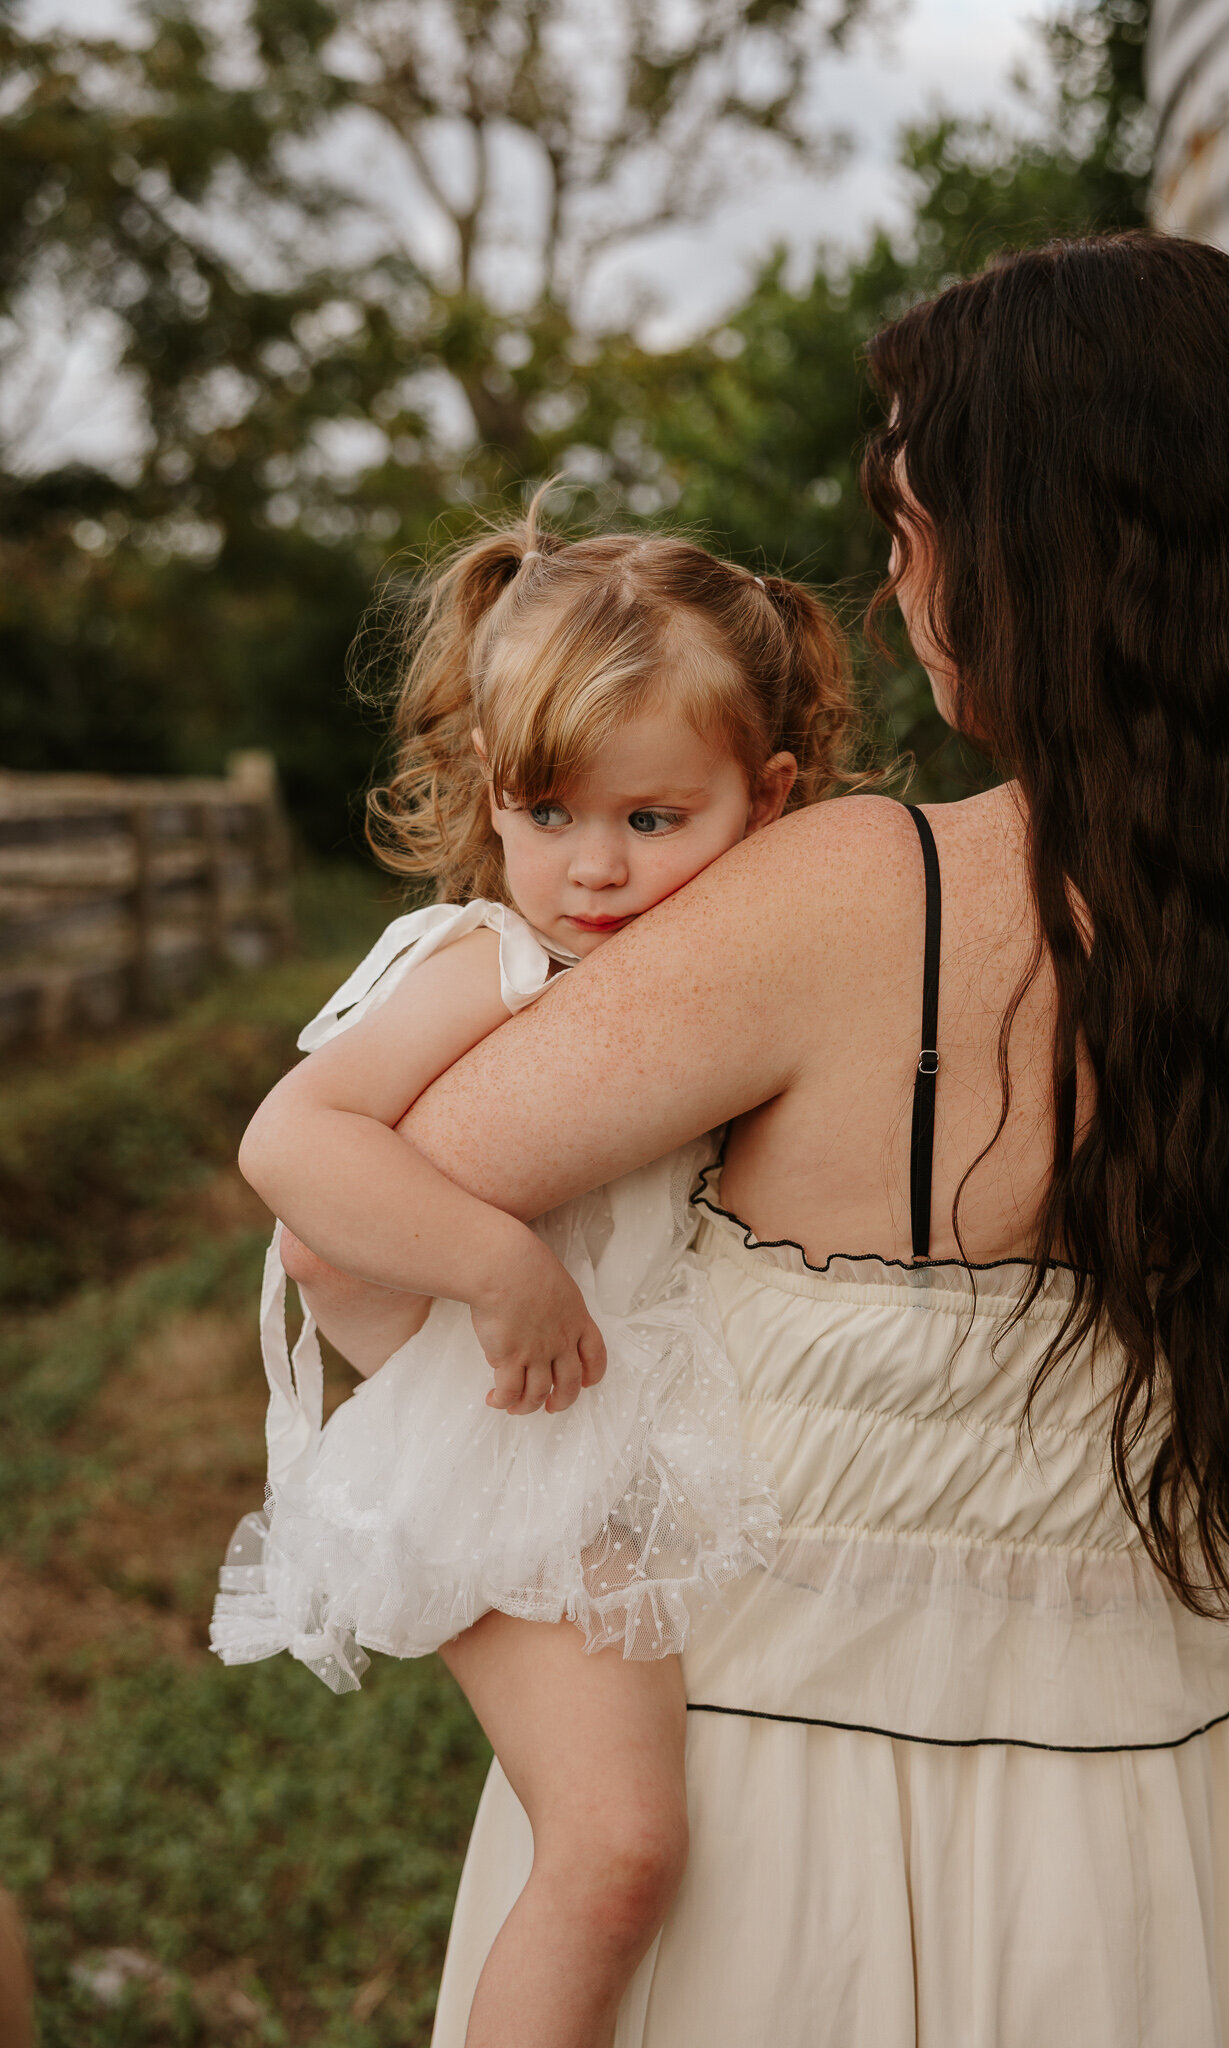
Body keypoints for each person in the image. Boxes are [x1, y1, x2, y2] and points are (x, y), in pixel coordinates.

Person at [273, 232, 1229, 2047]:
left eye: (912, 522)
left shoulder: (867, 891)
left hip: (773, 1840)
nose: (894, 575)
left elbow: (337, 1227)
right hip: (1129, 1847)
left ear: (1018, 562)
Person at [219, 505, 862, 2048]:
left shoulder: (746, 964)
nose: (593, 870)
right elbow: (292, 1147)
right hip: (510, 1449)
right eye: (550, 813)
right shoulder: (489, 962)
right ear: (490, 800)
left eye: (654, 820)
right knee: (618, 1850)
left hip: (639, 1436)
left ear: (766, 798)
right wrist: (494, 1264)